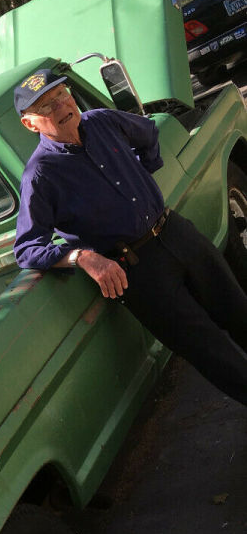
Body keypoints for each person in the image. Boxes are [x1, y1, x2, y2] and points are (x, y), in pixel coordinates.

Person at [13, 65, 247, 405]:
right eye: (46, 106)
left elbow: (148, 132)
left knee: (238, 308)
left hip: (176, 231)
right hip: (139, 270)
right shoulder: (40, 176)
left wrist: (144, 169)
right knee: (211, 350)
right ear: (30, 123)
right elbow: (27, 248)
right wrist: (82, 256)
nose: (62, 106)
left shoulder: (101, 121)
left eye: (62, 95)